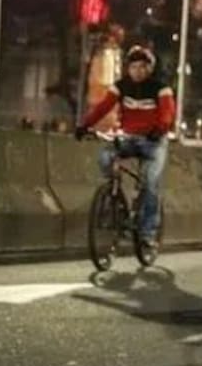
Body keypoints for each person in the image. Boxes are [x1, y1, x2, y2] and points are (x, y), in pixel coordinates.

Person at [75, 45, 175, 250]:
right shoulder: (121, 86)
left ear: (149, 69)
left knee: (150, 182)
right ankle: (115, 199)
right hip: (129, 138)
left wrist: (160, 129)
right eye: (133, 67)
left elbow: (167, 114)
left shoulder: (161, 88)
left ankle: (148, 232)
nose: (137, 71)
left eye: (142, 67)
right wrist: (85, 125)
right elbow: (103, 106)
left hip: (153, 142)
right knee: (105, 156)